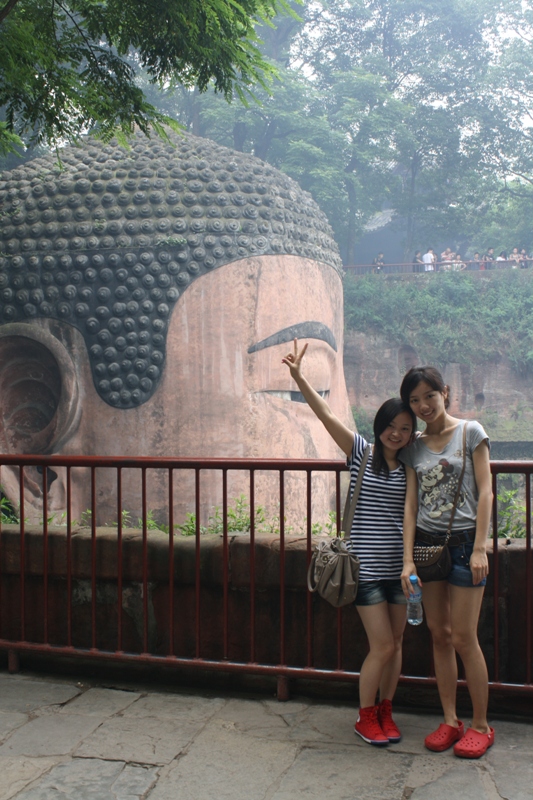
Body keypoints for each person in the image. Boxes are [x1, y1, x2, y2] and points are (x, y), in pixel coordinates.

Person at [282, 338, 416, 747]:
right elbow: (324, 414)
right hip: (364, 569)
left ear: (412, 435)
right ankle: (365, 716)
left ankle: (386, 710)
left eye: (405, 429)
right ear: (380, 426)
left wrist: (409, 564)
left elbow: (409, 518)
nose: (397, 434)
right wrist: (299, 377)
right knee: (380, 645)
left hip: (397, 570)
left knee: (396, 645)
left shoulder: (410, 469)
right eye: (391, 426)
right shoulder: (361, 451)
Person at [399, 366, 494, 759]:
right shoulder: (414, 447)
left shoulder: (471, 432)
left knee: (464, 637)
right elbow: (410, 505)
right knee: (439, 634)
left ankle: (481, 725)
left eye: (429, 396)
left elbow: (486, 491)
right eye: (415, 400)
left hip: (463, 547)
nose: (423, 406)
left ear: (445, 392)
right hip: (427, 548)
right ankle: (451, 719)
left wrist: (479, 547)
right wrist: (407, 560)